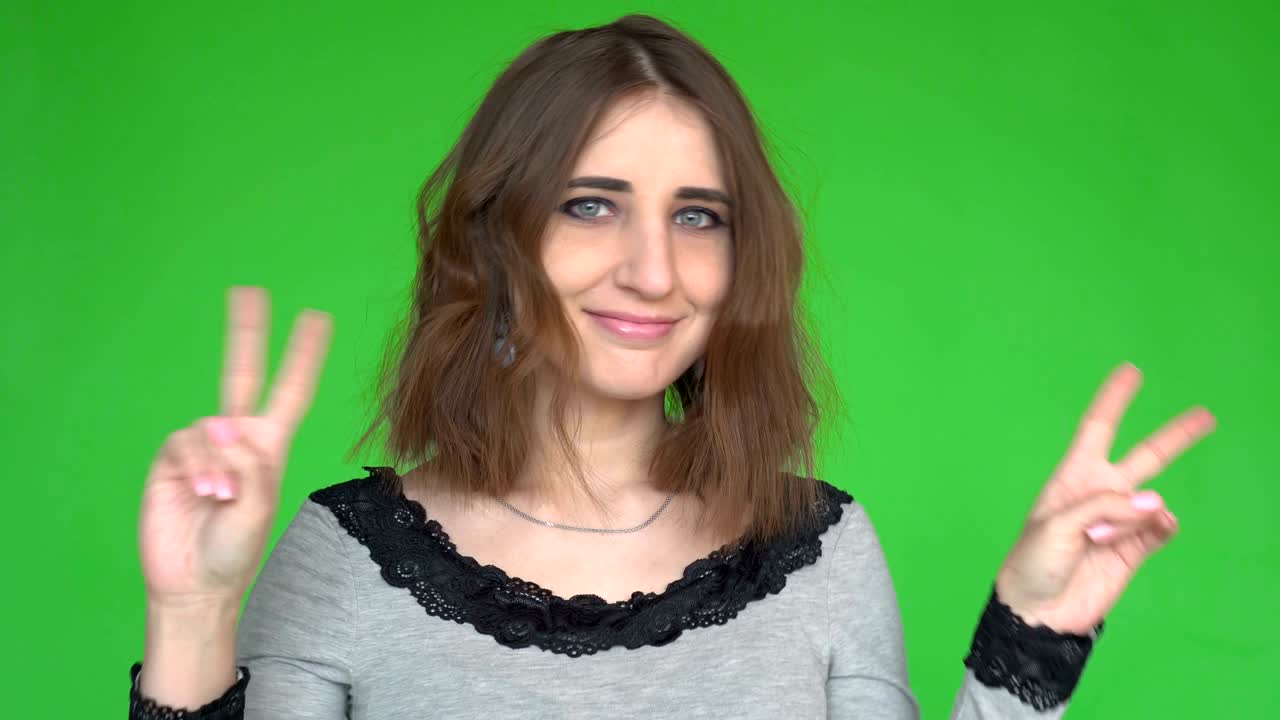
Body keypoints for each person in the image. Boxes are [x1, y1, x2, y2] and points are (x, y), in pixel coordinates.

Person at [128, 14, 1216, 720]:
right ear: (496, 239)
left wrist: (1030, 630)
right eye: (590, 205)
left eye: (697, 216)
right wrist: (193, 613)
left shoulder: (823, 550)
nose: (652, 271)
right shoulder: (344, 557)